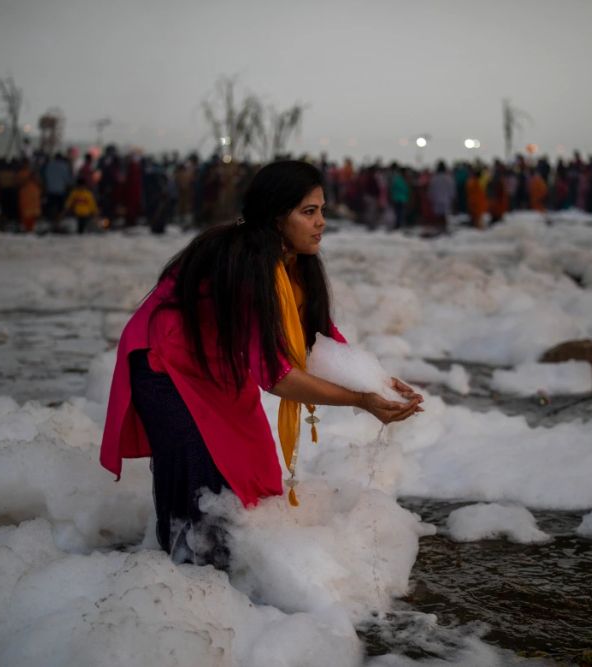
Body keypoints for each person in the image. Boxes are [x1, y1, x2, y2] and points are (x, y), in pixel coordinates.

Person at [100, 160, 423, 564]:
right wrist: (360, 401)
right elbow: (276, 376)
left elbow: (316, 339)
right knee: (200, 479)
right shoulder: (246, 261)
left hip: (215, 361)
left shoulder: (296, 260)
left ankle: (237, 574)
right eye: (308, 212)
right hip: (163, 364)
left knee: (250, 472)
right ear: (275, 216)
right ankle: (182, 579)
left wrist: (376, 382)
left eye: (322, 210)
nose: (321, 222)